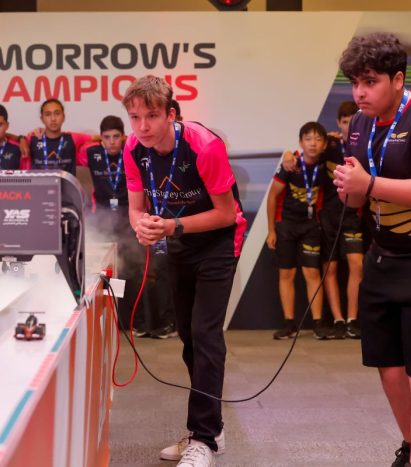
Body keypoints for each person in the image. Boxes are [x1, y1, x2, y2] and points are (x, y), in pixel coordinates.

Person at [123, 75, 246, 466]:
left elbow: (227, 214)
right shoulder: (132, 148)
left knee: (206, 335)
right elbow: (136, 206)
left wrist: (173, 225)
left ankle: (204, 439)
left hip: (218, 243)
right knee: (190, 341)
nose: (142, 126)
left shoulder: (204, 145)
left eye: (152, 116)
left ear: (171, 114)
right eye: (135, 117)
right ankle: (212, 429)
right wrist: (141, 225)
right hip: (176, 243)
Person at [334, 32, 411, 467]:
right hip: (382, 257)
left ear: (396, 78)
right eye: (354, 82)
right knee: (388, 364)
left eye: (369, 82)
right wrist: (349, 189)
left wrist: (368, 184)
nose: (359, 92)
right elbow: (357, 198)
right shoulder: (359, 124)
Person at [80, 115, 176, 338]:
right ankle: (119, 321)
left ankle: (139, 322)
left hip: (131, 218)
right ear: (100, 138)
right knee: (111, 274)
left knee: (136, 271)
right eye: (106, 137)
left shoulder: (134, 151)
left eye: (116, 137)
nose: (112, 142)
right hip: (104, 221)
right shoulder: (92, 153)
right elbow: (70, 142)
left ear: (123, 137)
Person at [282, 102, 364, 339]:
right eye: (346, 121)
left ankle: (353, 319)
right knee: (331, 268)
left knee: (357, 264)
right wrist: (288, 154)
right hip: (327, 215)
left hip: (353, 214)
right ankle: (338, 320)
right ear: (339, 122)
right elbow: (303, 151)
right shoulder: (329, 144)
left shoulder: (365, 144)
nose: (349, 125)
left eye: (354, 120)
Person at [268, 122, 329, 340]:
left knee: (312, 273)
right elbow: (272, 196)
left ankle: (318, 324)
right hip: (286, 226)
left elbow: (341, 138)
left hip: (311, 226)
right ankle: (289, 324)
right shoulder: (290, 164)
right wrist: (271, 230)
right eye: (308, 139)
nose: (313, 144)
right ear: (301, 142)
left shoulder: (327, 164)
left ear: (324, 144)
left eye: (318, 139)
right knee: (287, 273)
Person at [27, 99, 94, 176]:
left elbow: (99, 137)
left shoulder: (73, 138)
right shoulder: (32, 139)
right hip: (39, 187)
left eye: (57, 113)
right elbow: (15, 142)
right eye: (48, 114)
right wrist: (20, 138)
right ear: (42, 119)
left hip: (67, 187)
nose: (53, 119)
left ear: (63, 117)